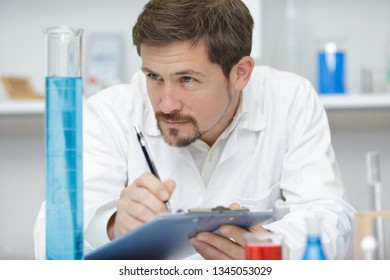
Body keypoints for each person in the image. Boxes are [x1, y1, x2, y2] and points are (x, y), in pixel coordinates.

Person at [34, 0, 355, 260]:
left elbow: (328, 217)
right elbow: (50, 232)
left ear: (240, 73)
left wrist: (269, 248)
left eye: (187, 79)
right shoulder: (110, 112)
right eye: (153, 77)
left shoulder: (290, 99)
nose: (166, 103)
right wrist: (113, 225)